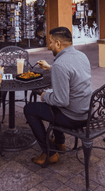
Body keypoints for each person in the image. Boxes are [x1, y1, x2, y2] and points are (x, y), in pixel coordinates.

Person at [24, 26, 92, 166]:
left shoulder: (60, 65)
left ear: (58, 44)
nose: (49, 46)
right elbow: (71, 73)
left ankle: (50, 153)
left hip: (74, 117)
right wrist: (51, 68)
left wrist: (43, 96)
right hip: (87, 111)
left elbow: (61, 101)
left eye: (50, 42)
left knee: (30, 109)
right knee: (52, 99)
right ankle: (60, 142)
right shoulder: (81, 56)